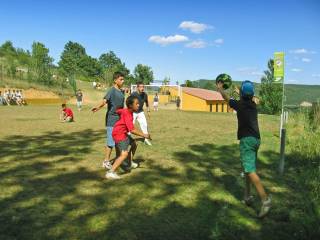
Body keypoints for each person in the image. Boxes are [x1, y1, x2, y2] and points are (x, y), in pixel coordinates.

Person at [216, 80, 271, 218]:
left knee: (250, 170)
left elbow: (226, 98)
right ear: (251, 94)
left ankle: (265, 200)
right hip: (256, 140)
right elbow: (248, 95)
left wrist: (220, 88)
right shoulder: (253, 104)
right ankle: (248, 197)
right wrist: (239, 90)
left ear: (241, 95)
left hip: (247, 141)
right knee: (247, 168)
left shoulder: (239, 105)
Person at [106, 96, 151, 179]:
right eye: (136, 104)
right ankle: (110, 172)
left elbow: (118, 111)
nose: (139, 105)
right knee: (124, 154)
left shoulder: (126, 111)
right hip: (119, 134)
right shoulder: (128, 115)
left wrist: (115, 111)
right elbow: (132, 130)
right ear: (130, 105)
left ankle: (129, 162)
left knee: (134, 144)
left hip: (121, 132)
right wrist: (144, 135)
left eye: (139, 103)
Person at [91, 72, 125, 169]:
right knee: (111, 142)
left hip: (119, 120)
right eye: (121, 79)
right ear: (115, 80)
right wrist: (97, 108)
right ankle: (106, 161)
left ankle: (119, 159)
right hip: (111, 120)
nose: (123, 81)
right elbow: (105, 101)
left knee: (119, 141)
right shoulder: (112, 91)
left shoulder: (121, 91)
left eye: (123, 79)